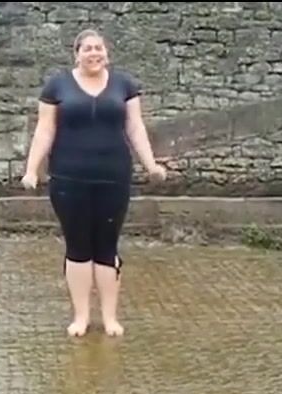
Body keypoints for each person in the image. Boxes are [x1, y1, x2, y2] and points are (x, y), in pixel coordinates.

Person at [20, 29, 167, 337]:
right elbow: (45, 130)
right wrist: (32, 169)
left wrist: (151, 164)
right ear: (77, 54)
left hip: (114, 176)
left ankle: (110, 317)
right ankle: (81, 317)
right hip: (68, 178)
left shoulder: (124, 85)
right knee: (78, 246)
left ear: (107, 53)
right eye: (87, 48)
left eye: (99, 48)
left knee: (106, 246)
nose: (94, 53)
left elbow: (135, 127)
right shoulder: (57, 85)